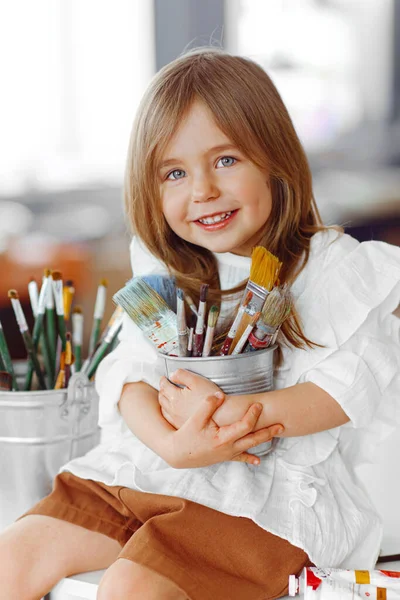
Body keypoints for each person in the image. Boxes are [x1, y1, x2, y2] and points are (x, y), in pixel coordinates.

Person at [1, 48, 400, 600]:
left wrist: (223, 421)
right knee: (11, 558)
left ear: (275, 158)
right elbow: (128, 374)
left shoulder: (337, 266)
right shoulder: (165, 268)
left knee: (131, 588)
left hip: (263, 499)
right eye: (174, 172)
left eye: (227, 160)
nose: (202, 190)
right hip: (146, 469)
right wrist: (172, 444)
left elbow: (343, 391)